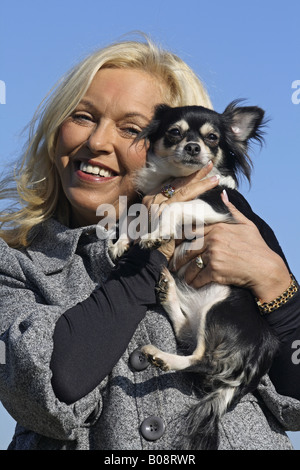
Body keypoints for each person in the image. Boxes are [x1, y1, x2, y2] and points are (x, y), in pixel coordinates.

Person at [0, 36, 299, 451]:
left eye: (131, 129)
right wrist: (150, 248)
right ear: (55, 131)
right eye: (83, 116)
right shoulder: (15, 261)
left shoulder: (238, 226)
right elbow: (47, 390)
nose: (98, 142)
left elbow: (297, 400)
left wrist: (278, 288)